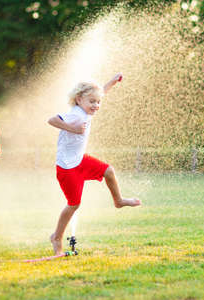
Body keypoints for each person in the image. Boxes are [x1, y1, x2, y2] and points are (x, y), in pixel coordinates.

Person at [48, 73, 141, 255]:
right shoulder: (75, 114)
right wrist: (73, 128)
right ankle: (56, 237)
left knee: (108, 171)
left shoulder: (85, 108)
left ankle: (119, 201)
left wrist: (112, 82)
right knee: (73, 204)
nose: (96, 105)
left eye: (98, 102)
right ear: (79, 99)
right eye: (92, 102)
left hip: (80, 160)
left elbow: (101, 93)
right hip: (67, 168)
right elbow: (51, 120)